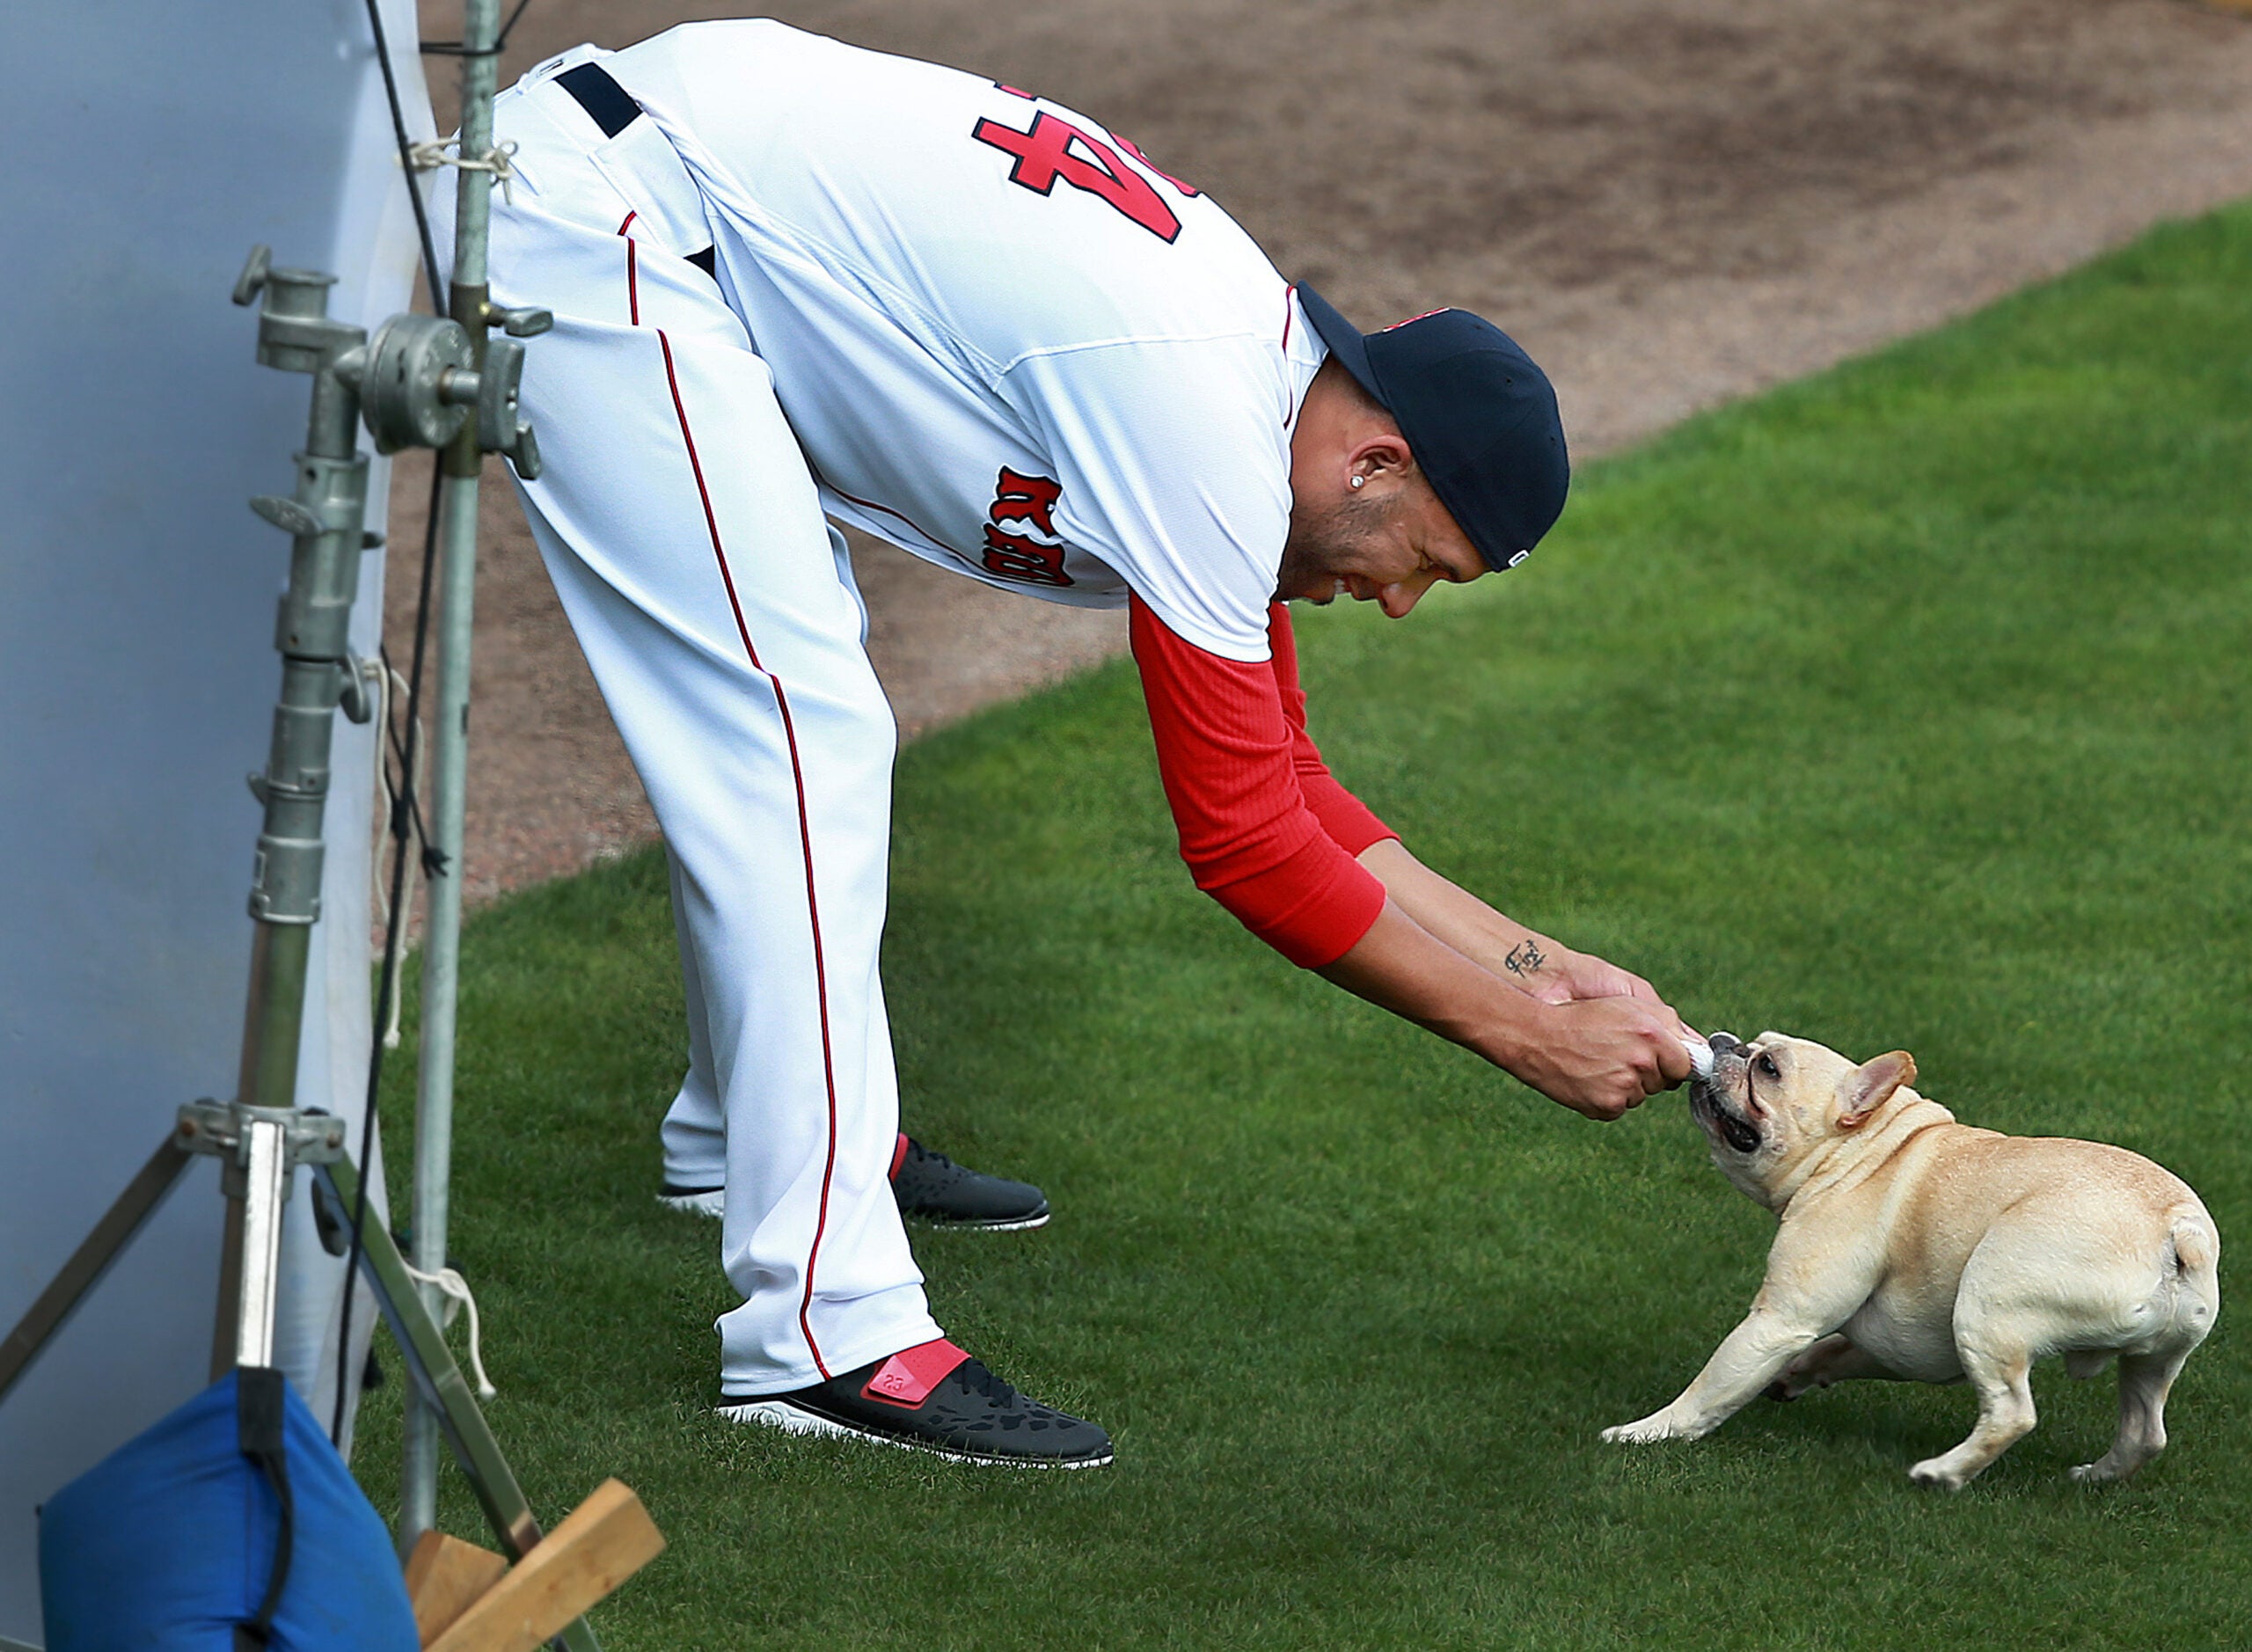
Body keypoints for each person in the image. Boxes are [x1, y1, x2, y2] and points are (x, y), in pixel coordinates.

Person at [441, 19, 1699, 1470]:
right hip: (605, 214)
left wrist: (1539, 962)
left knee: (802, 718)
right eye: (1424, 560)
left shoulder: (1258, 407)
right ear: (1377, 461)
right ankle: (824, 1329)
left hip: (672, 206)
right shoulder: (1206, 421)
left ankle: (752, 1136)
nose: (1399, 601)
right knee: (799, 734)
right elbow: (1244, 844)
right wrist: (1512, 1032)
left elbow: (1292, 780)